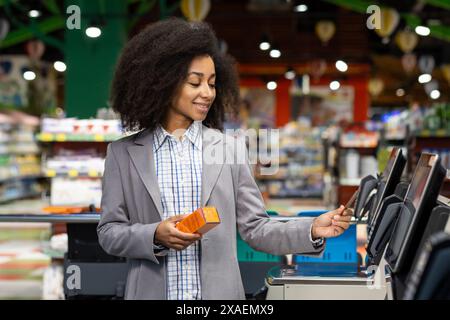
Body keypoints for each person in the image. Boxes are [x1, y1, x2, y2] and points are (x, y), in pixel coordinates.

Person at [97, 17, 352, 300]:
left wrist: (312, 229)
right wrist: (154, 235)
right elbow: (109, 232)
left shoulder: (229, 149)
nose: (207, 93)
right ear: (163, 82)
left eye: (212, 83)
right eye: (195, 82)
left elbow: (256, 228)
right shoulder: (122, 154)